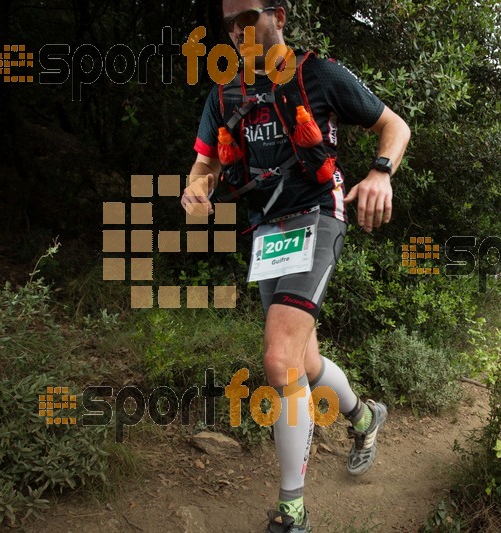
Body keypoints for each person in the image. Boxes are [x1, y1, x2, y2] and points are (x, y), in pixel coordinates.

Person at [180, 1, 411, 531]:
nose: (237, 31)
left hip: (317, 216)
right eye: (228, 22)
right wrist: (196, 185)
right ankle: (364, 416)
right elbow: (205, 162)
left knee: (278, 360)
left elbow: (393, 126)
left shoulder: (318, 74)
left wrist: (380, 173)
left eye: (248, 17)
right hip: (267, 231)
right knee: (303, 364)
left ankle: (291, 512)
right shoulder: (223, 94)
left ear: (279, 17)